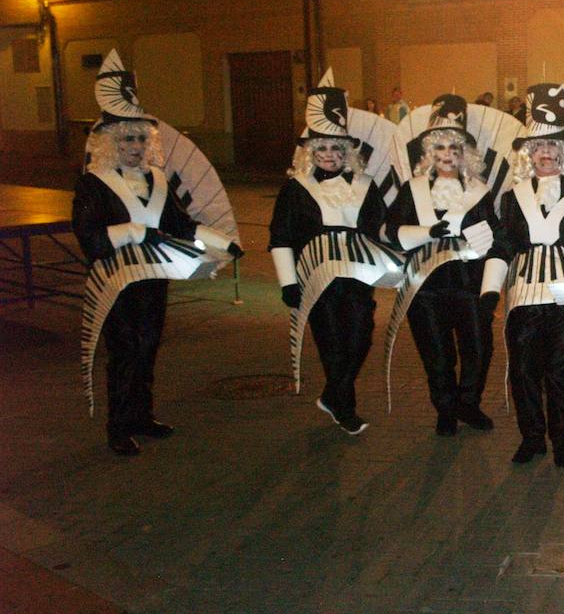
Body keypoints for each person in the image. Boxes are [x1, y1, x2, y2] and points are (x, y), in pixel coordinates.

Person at [73, 53, 242, 456]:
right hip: (115, 282)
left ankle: (141, 417)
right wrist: (135, 231)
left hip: (153, 279)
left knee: (148, 346)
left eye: (140, 139)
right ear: (110, 142)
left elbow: (182, 225)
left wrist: (222, 241)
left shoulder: (158, 179)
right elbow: (89, 238)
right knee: (123, 352)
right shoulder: (93, 184)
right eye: (126, 139)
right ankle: (118, 427)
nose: (134, 146)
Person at [489, 84, 564, 466]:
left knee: (560, 370)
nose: (545, 155)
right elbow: (503, 244)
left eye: (553, 148)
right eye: (538, 148)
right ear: (528, 154)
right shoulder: (512, 197)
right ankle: (532, 438)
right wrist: (490, 289)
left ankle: (562, 439)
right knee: (522, 371)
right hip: (524, 291)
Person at [270, 72, 388, 435]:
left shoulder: (366, 186)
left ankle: (332, 394)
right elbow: (280, 238)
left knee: (361, 337)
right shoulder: (295, 189)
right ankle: (345, 407)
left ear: (347, 152)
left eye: (336, 149)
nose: (329, 156)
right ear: (310, 153)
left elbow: (380, 229)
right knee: (331, 344)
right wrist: (288, 283)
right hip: (316, 279)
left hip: (356, 278)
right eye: (321, 149)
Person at [385, 94, 505, 435]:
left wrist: (482, 243)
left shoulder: (480, 191)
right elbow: (391, 231)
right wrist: (426, 231)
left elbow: (495, 237)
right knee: (436, 356)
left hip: (468, 284)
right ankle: (446, 409)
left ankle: (467, 404)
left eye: (455, 149)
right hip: (425, 288)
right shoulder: (413, 189)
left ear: (465, 153)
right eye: (440, 149)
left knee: (479, 350)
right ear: (430, 153)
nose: (448, 156)